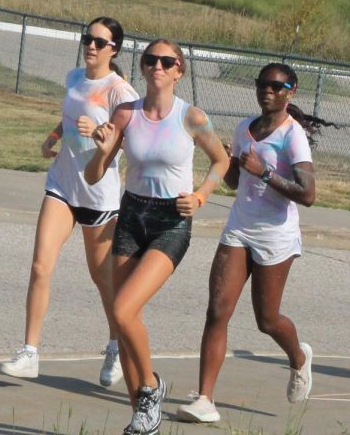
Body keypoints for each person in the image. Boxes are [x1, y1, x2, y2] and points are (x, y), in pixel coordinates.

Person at [85, 39, 230, 435]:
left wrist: (200, 195)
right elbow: (94, 175)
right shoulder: (126, 113)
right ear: (143, 67)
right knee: (127, 317)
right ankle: (141, 416)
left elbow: (222, 160)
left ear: (179, 70)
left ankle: (150, 387)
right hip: (132, 214)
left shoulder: (192, 117)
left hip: (170, 222)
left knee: (122, 310)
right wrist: (100, 152)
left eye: (167, 62)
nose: (158, 67)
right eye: (151, 60)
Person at [177, 62, 328, 424]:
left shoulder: (293, 136)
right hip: (239, 229)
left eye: (277, 86)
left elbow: (308, 194)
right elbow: (233, 182)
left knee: (267, 319)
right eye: (263, 84)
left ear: (290, 92)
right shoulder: (245, 127)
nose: (269, 91)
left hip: (276, 236)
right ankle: (205, 399)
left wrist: (266, 171)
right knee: (217, 310)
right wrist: (227, 160)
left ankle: (299, 358)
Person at [1, 17, 138, 387]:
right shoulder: (74, 77)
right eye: (87, 38)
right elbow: (70, 117)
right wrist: (53, 135)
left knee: (101, 277)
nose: (90, 46)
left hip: (98, 195)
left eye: (99, 41)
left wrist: (96, 133)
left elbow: (120, 141)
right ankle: (29, 351)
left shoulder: (120, 92)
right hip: (62, 185)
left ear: (114, 49)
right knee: (40, 267)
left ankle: (114, 345)